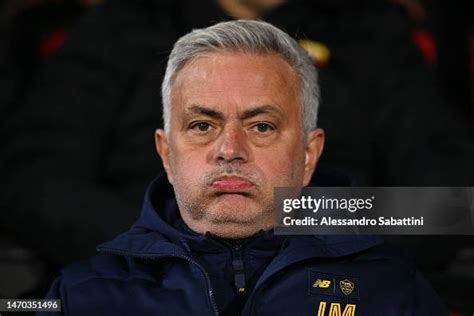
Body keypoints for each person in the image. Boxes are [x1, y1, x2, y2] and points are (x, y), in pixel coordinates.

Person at [40, 20, 447, 315]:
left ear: (309, 155)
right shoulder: (80, 296)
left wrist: (353, 238)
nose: (229, 149)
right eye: (202, 125)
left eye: (262, 126)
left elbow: (447, 204)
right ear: (165, 153)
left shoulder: (393, 292)